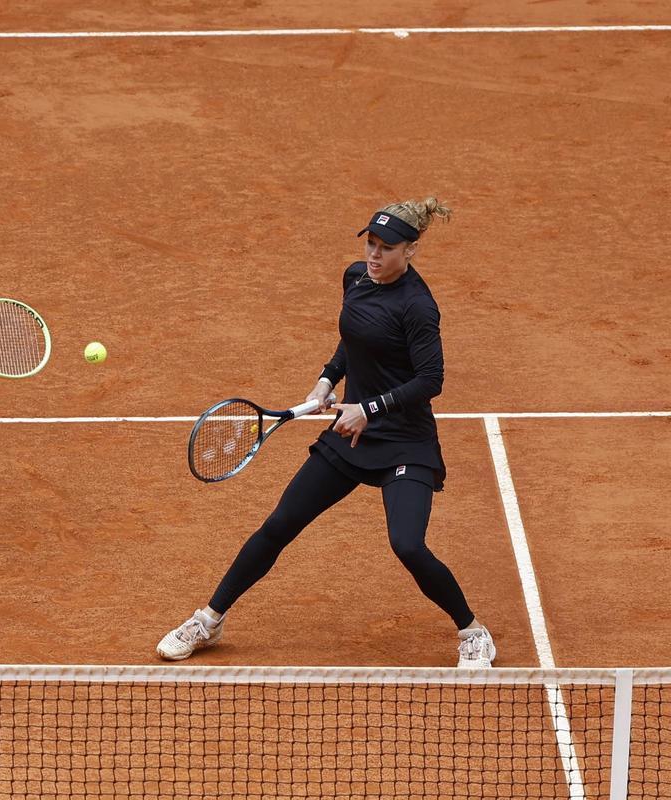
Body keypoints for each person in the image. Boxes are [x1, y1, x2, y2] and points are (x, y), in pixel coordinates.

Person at [156, 198, 497, 668]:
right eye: (371, 244)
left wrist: (369, 408)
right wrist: (327, 378)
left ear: (411, 250)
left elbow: (430, 380)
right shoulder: (355, 278)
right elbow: (352, 340)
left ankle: (472, 631)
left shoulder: (418, 307)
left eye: (386, 248)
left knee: (408, 544)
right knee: (279, 524)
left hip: (403, 439)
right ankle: (208, 620)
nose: (375, 256)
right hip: (349, 433)